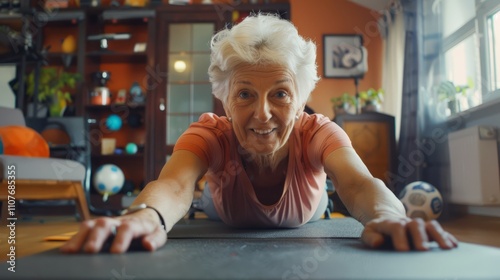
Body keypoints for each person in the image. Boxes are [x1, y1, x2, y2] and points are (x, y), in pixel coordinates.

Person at [61, 14, 458, 254]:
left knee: (323, 205)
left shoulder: (318, 131)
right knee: (202, 201)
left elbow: (358, 184)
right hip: (223, 212)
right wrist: (146, 215)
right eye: (246, 94)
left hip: (308, 213)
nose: (262, 113)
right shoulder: (211, 133)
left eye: (280, 94)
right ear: (226, 99)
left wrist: (388, 215)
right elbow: (174, 185)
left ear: (301, 100)